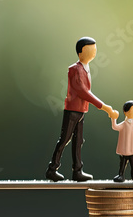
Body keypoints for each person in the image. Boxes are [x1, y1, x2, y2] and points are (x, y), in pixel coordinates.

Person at [45, 37, 118, 182]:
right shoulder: (75, 69)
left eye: (95, 49)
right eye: (91, 49)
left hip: (81, 110)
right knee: (65, 139)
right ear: (81, 51)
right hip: (73, 110)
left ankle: (77, 170)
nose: (94, 52)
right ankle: (52, 169)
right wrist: (104, 107)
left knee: (78, 141)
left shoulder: (86, 68)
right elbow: (83, 91)